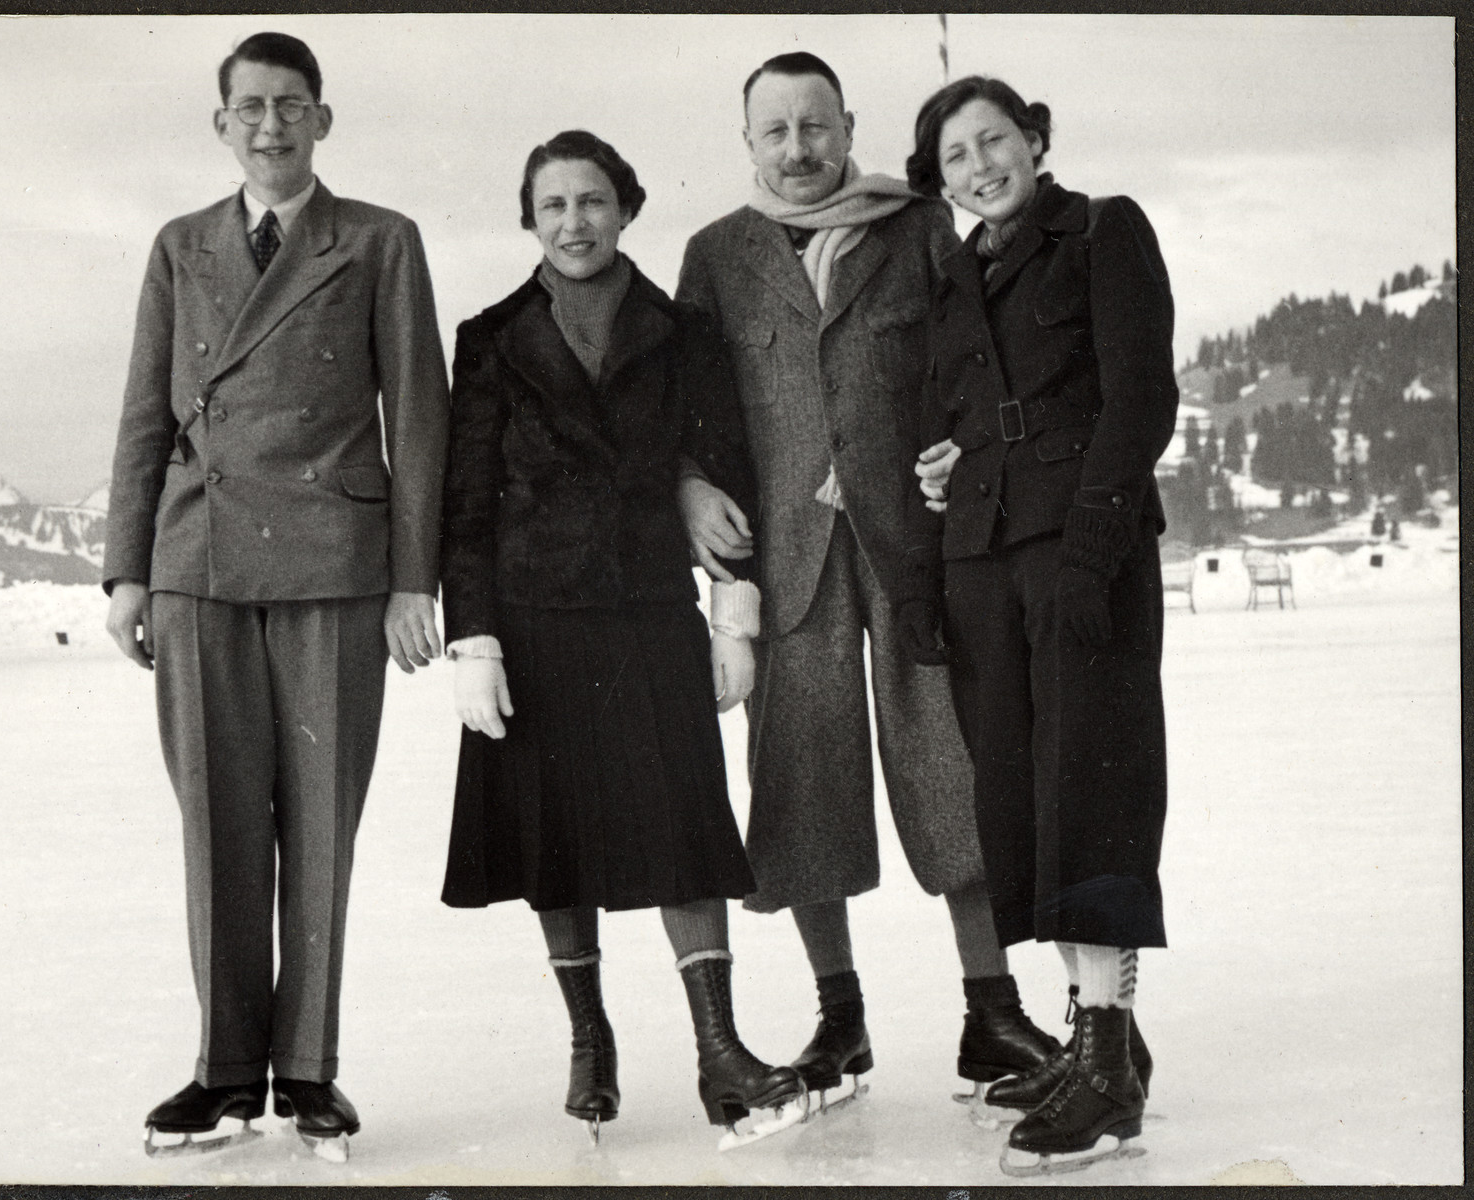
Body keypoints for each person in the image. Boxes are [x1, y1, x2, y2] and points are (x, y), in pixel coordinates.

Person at [674, 52, 1055, 1112]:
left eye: (815, 128)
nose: (798, 151)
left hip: (918, 553)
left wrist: (965, 457)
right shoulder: (712, 257)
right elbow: (685, 406)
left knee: (954, 776)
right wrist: (690, 487)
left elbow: (982, 371)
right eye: (775, 132)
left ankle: (991, 1009)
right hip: (783, 564)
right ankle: (838, 1020)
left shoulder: (920, 232)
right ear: (746, 142)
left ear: (847, 127)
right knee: (800, 791)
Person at [103, 32, 449, 1161]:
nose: (269, 125)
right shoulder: (178, 246)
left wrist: (411, 579)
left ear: (321, 120)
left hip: (333, 567)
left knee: (317, 826)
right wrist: (125, 571)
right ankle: (221, 1072)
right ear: (222, 125)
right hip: (198, 561)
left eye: (289, 105)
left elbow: (422, 422)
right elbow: (144, 415)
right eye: (248, 107)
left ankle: (305, 1069)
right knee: (216, 823)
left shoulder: (380, 242)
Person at [438, 130, 804, 1144]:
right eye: (551, 205)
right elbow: (462, 503)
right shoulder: (488, 336)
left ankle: (719, 1055)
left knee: (686, 831)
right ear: (528, 220)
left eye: (591, 200)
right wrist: (471, 638)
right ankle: (588, 1039)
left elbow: (720, 472)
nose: (573, 221)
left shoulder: (682, 333)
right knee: (551, 842)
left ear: (626, 207)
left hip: (649, 618)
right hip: (531, 622)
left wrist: (733, 620)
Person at [905, 76, 1177, 1174]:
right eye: (954, 156)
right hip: (981, 563)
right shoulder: (954, 276)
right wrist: (937, 534)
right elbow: (947, 433)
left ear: (1034, 138)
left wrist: (1090, 553)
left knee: (1091, 786)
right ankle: (1095, 1036)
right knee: (1022, 797)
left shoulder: (1101, 229)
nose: (979, 165)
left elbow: (1139, 399)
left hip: (1078, 552)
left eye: (993, 140)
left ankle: (1105, 1074)